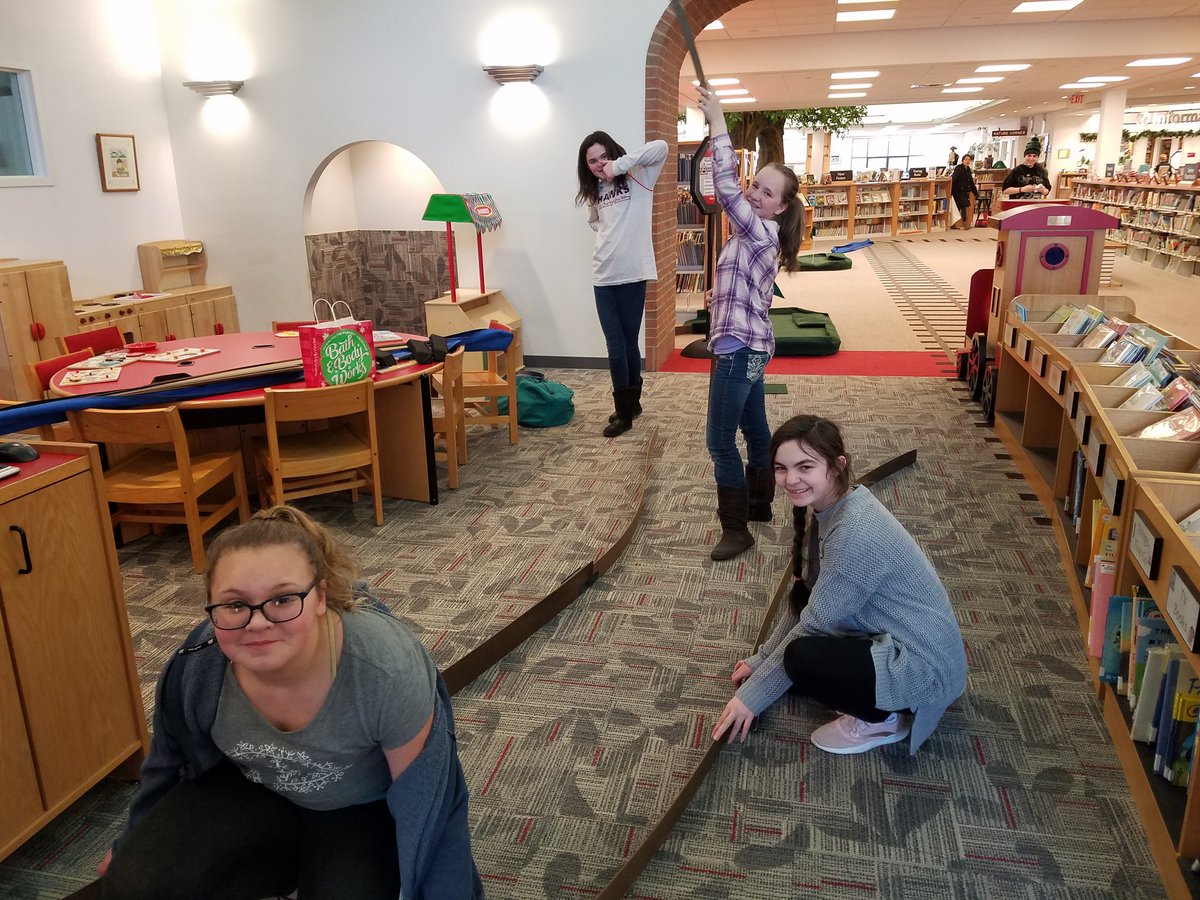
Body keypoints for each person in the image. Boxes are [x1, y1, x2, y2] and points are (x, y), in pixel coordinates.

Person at [85, 506, 482, 899]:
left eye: (283, 599)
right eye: (235, 605)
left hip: (360, 809)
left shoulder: (385, 670)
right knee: (135, 886)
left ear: (320, 597)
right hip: (253, 793)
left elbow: (429, 806)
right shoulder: (197, 666)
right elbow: (167, 764)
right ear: (210, 605)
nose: (257, 622)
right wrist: (132, 843)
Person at [712, 415, 967, 755]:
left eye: (805, 467)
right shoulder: (834, 508)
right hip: (897, 638)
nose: (790, 480)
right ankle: (865, 694)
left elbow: (813, 624)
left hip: (923, 669)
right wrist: (762, 660)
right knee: (794, 663)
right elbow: (807, 602)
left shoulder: (854, 530)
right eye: (781, 468)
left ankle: (883, 721)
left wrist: (751, 699)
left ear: (836, 466)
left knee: (803, 659)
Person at [695, 85, 804, 561]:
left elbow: (722, 186)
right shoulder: (762, 233)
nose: (754, 194)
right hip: (748, 344)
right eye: (754, 185)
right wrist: (719, 295)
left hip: (739, 350)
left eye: (766, 191)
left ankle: (736, 529)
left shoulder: (759, 230)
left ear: (780, 206)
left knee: (720, 439)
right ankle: (759, 504)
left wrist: (718, 121)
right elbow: (745, 285)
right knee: (756, 429)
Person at [576, 130, 669, 437]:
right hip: (603, 277)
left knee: (628, 343)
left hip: (633, 275)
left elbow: (661, 147)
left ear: (613, 153)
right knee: (615, 345)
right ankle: (624, 410)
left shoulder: (639, 176)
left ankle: (631, 404)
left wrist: (617, 166)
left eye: (604, 156)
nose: (599, 164)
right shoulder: (595, 191)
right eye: (592, 160)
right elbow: (596, 223)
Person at [950, 151, 980, 229]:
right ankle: (961, 224)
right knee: (959, 208)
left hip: (964, 191)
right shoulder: (958, 168)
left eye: (969, 160)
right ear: (962, 160)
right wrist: (951, 192)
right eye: (966, 159)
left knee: (963, 207)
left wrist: (975, 193)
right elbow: (954, 179)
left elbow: (971, 182)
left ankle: (964, 223)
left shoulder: (968, 170)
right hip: (957, 191)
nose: (967, 161)